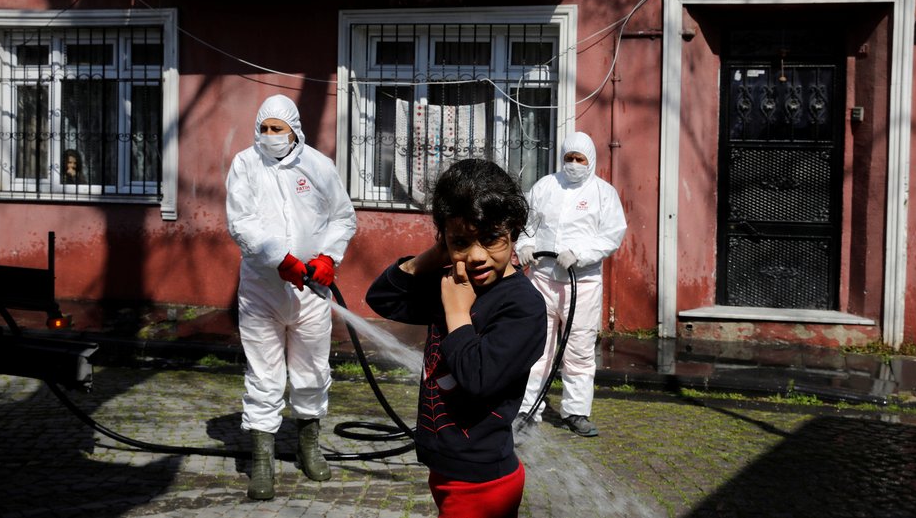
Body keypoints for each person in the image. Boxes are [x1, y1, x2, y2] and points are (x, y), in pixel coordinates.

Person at [366, 158, 546, 518]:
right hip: (447, 468)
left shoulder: (523, 306)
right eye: (462, 241)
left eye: (492, 238)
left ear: (515, 230)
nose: (477, 256)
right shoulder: (451, 279)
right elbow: (382, 298)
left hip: (483, 483)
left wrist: (457, 313)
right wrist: (437, 254)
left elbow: (480, 379)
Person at [225, 94, 357, 500]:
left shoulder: (318, 166)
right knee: (264, 375)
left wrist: (327, 258)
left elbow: (342, 217)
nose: (269, 136)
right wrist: (277, 258)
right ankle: (262, 460)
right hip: (262, 290)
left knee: (312, 370)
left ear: (293, 130)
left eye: (276, 129)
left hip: (312, 292)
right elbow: (240, 222)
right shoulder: (245, 165)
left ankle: (308, 445)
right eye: (264, 128)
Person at [515, 132, 626, 438]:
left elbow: (611, 235)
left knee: (578, 350)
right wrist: (524, 246)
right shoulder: (546, 187)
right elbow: (527, 223)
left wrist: (581, 254)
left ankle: (576, 412)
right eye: (569, 158)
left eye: (581, 159)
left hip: (583, 283)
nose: (574, 165)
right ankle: (527, 408)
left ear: (590, 160)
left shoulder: (604, 193)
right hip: (542, 278)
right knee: (537, 346)